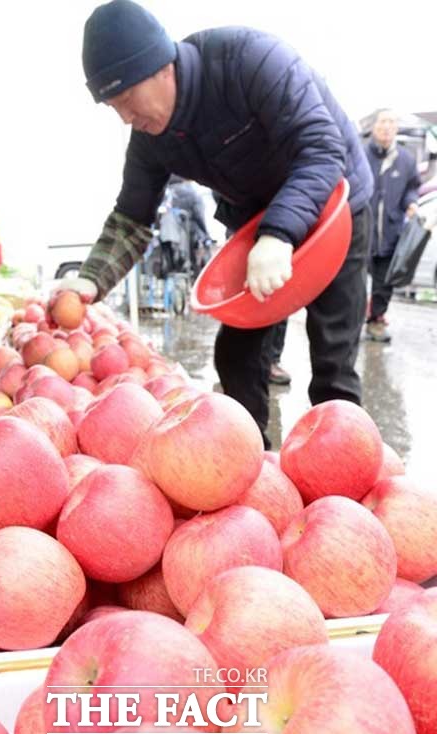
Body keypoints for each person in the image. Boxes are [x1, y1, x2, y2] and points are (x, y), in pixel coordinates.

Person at [61, 0, 373, 448]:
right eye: (114, 107)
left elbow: (322, 149)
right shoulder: (151, 137)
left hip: (335, 203)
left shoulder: (249, 60)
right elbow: (132, 217)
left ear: (161, 66)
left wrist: (279, 233)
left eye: (126, 99)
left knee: (333, 360)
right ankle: (253, 467)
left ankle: (346, 475)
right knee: (237, 352)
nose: (126, 117)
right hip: (257, 221)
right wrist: (90, 280)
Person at [365, 109, 420, 342]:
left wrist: (411, 202)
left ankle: (376, 321)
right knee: (354, 281)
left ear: (396, 128)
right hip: (362, 229)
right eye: (383, 121)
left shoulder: (406, 159)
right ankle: (351, 320)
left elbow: (412, 187)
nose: (387, 126)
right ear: (374, 126)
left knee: (384, 281)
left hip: (391, 230)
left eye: (391, 122)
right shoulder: (360, 153)